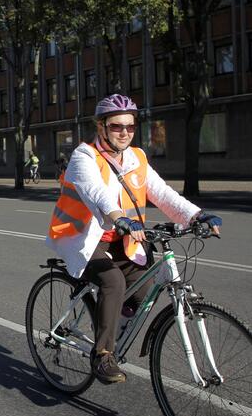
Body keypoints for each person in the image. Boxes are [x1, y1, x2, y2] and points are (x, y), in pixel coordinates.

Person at [46, 94, 222, 385]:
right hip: (84, 239)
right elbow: (95, 192)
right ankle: (102, 354)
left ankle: (112, 321)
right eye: (116, 126)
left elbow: (163, 194)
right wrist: (119, 217)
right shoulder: (84, 156)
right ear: (101, 127)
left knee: (145, 287)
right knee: (113, 282)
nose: (125, 132)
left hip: (123, 238)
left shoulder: (136, 157)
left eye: (130, 126)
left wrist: (196, 216)